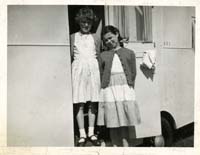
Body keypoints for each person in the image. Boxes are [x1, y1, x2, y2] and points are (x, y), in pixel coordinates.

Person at [97, 25, 141, 147]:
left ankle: (125, 147)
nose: (109, 42)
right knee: (112, 120)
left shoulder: (129, 53)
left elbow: (133, 72)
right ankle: (115, 147)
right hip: (109, 89)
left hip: (124, 88)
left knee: (124, 120)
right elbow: (101, 73)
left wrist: (129, 86)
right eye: (106, 40)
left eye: (111, 38)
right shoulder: (102, 55)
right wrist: (104, 87)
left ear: (117, 34)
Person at [70, 7, 101, 147]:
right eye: (83, 22)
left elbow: (99, 54)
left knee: (93, 103)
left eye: (88, 22)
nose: (86, 25)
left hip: (93, 71)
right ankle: (82, 134)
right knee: (80, 103)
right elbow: (70, 56)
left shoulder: (95, 37)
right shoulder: (72, 37)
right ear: (79, 22)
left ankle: (91, 132)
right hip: (79, 71)